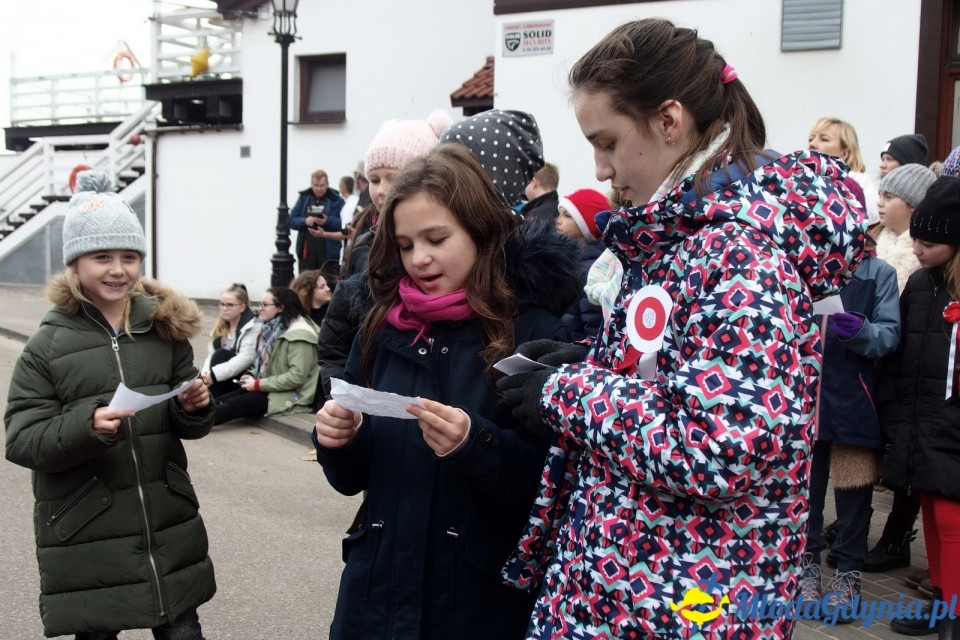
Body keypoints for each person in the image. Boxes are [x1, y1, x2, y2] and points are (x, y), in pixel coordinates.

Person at [494, 19, 865, 638]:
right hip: (635, 587)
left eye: (607, 141)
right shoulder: (685, 236)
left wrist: (565, 394)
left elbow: (717, 448)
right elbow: (680, 371)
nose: (601, 167)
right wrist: (585, 363)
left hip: (683, 604)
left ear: (669, 121)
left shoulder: (742, 257)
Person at [313, 143, 581, 639]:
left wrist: (474, 445)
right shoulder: (379, 325)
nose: (419, 258)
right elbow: (351, 480)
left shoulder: (535, 333)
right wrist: (339, 439)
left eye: (436, 238)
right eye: (406, 244)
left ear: (480, 231)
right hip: (375, 595)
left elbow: (553, 487)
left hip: (475, 602)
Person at [4, 170, 216, 639]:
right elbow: (21, 439)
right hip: (87, 528)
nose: (118, 269)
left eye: (129, 256)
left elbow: (186, 422)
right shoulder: (48, 344)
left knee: (182, 627)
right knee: (98, 630)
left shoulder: (165, 327)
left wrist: (195, 406)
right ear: (75, 265)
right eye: (102, 257)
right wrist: (89, 425)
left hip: (165, 520)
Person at [799, 178, 900, 620]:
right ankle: (805, 565)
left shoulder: (879, 273)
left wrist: (862, 332)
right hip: (805, 401)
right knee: (806, 492)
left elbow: (890, 335)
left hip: (854, 401)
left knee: (854, 493)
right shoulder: (802, 268)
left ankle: (849, 571)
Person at [318, 110, 452, 398]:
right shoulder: (364, 243)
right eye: (374, 179)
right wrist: (340, 395)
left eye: (394, 177)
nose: (382, 190)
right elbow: (337, 333)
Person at [881, 176, 960, 637]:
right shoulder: (919, 286)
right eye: (915, 240)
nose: (916, 250)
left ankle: (954, 609)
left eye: (928, 243)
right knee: (931, 512)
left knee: (951, 518)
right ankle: (941, 599)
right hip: (919, 421)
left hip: (950, 422)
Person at [213, 287, 319, 425]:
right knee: (221, 400)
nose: (259, 309)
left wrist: (258, 384)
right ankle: (189, 416)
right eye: (259, 304)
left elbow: (296, 377)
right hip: (268, 387)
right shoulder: (270, 328)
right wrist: (250, 374)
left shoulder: (300, 335)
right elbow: (264, 364)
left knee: (232, 405)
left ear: (280, 308)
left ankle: (192, 424)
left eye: (265, 305)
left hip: (290, 395)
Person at [554, 187, 609, 341]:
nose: (558, 220)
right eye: (559, 213)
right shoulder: (570, 262)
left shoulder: (591, 270)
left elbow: (594, 329)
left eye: (567, 215)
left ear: (587, 224)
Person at [807, 117, 881, 227]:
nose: (812, 144)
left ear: (844, 153)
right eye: (811, 139)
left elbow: (869, 217)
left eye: (824, 139)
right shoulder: (799, 178)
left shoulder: (857, 182)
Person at [200, 282, 261, 398]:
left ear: (242, 307)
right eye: (222, 304)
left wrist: (214, 375)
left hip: (243, 378)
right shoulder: (220, 327)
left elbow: (245, 358)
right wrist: (205, 374)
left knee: (221, 355)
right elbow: (210, 355)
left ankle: (208, 400)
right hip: (220, 379)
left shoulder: (252, 327)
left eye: (229, 305)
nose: (224, 308)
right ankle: (206, 398)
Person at [288, 169, 344, 273]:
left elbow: (345, 224)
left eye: (322, 185)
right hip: (307, 251)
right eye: (316, 185)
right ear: (311, 184)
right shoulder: (303, 198)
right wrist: (305, 221)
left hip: (328, 251)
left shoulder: (337, 200)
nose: (319, 189)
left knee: (328, 284)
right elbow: (291, 220)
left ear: (327, 184)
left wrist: (327, 221)